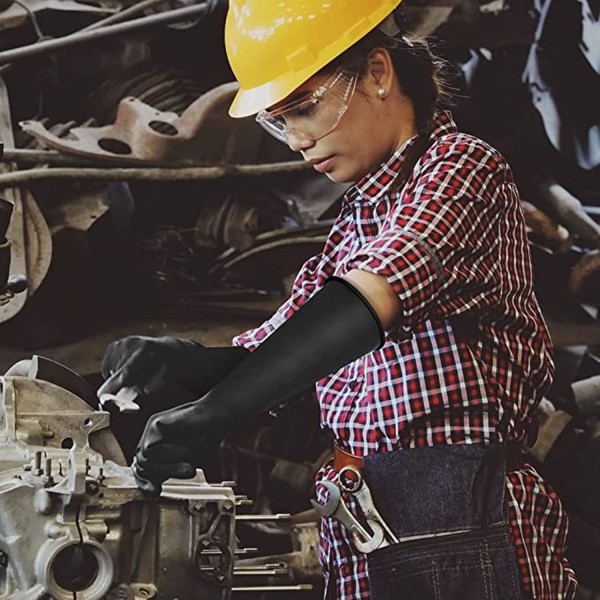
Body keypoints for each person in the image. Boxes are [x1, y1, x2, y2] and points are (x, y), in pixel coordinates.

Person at [99, 1, 579, 598]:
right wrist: (187, 362)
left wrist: (216, 414)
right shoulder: (355, 223)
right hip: (365, 521)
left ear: (378, 72)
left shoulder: (463, 171)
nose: (297, 140)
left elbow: (368, 300)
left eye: (304, 108)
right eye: (279, 121)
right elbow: (285, 352)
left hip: (461, 523)